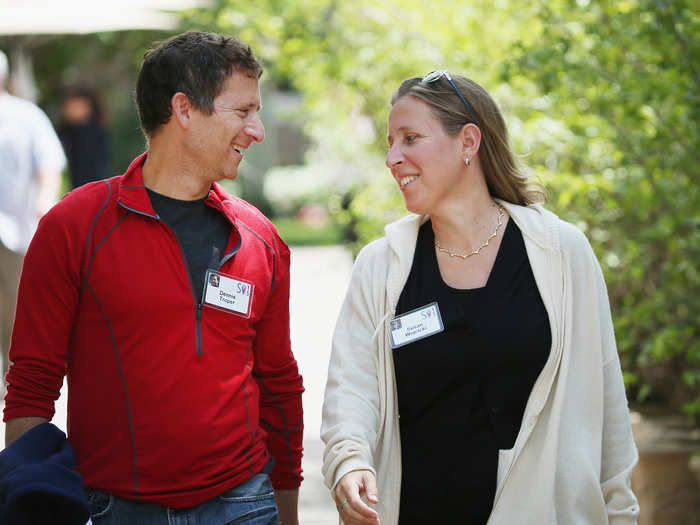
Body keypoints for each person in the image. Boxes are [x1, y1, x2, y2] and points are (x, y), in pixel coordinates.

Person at [4, 31, 304, 525]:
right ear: (184, 110)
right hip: (110, 510)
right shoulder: (74, 226)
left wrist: (286, 513)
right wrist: (29, 503)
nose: (258, 130)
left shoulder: (260, 238)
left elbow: (279, 385)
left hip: (244, 504)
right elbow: (32, 384)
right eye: (243, 111)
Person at [321, 70, 639, 524]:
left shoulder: (560, 253)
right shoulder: (382, 266)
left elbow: (606, 404)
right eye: (391, 143)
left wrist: (621, 514)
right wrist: (349, 460)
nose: (393, 157)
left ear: (468, 142)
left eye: (411, 138)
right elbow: (351, 387)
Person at [0, 49, 65, 384]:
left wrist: (45, 200)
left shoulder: (26, 115)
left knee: (14, 305)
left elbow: (49, 162)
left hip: (14, 226)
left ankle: (17, 378)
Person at [57, 86, 110, 189]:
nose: (67, 111)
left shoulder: (92, 131)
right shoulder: (70, 130)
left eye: (72, 106)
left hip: (94, 186)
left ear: (87, 107)